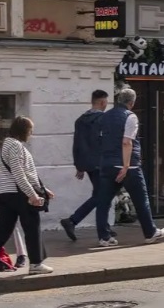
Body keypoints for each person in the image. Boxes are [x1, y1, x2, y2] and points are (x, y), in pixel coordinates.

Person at [0, 116, 52, 274]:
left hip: (4, 193)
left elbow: (23, 172)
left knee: (3, 228)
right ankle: (36, 264)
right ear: (23, 130)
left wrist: (43, 188)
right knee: (32, 226)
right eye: (30, 130)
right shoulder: (15, 145)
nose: (31, 133)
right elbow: (19, 173)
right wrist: (32, 194)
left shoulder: (7, 144)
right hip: (18, 193)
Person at [94, 87, 164, 246]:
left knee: (103, 202)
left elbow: (100, 139)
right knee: (141, 200)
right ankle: (150, 232)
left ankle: (104, 237)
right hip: (128, 167)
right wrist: (126, 166)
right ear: (132, 103)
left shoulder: (104, 116)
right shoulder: (130, 116)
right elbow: (127, 142)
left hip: (107, 164)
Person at [60, 89, 111, 243]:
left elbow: (77, 144)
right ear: (102, 102)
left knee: (100, 194)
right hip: (101, 163)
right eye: (106, 102)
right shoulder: (103, 119)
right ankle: (72, 220)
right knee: (101, 196)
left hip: (87, 164)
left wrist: (79, 165)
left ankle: (105, 228)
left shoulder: (80, 120)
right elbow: (105, 142)